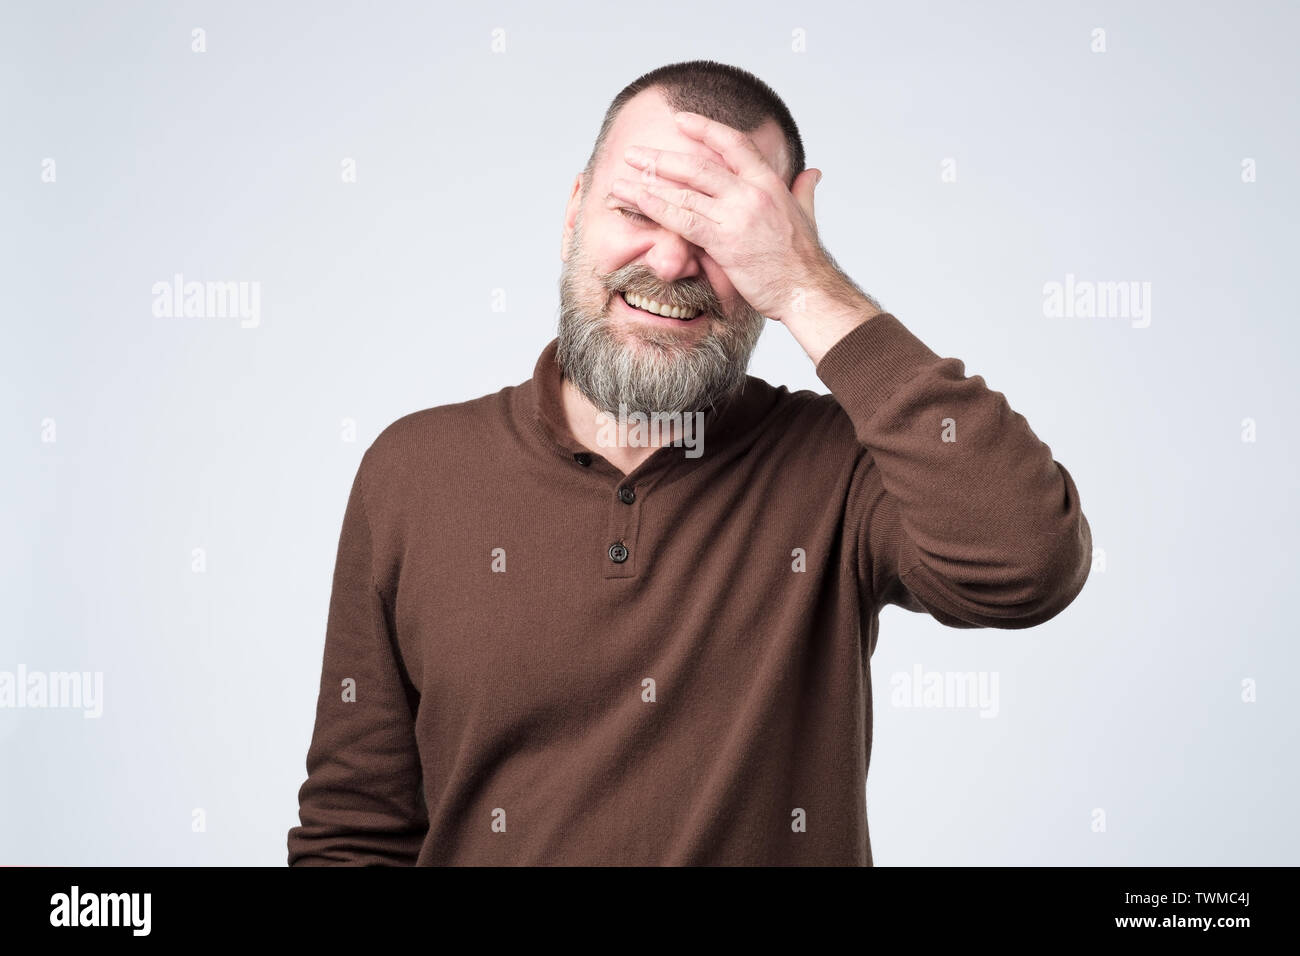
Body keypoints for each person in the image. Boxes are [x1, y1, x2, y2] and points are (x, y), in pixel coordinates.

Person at [286, 59, 1092, 866]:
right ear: (573, 213)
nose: (671, 263)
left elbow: (1030, 564)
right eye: (636, 209)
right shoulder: (414, 469)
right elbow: (356, 831)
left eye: (718, 231)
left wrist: (811, 288)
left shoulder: (844, 468)